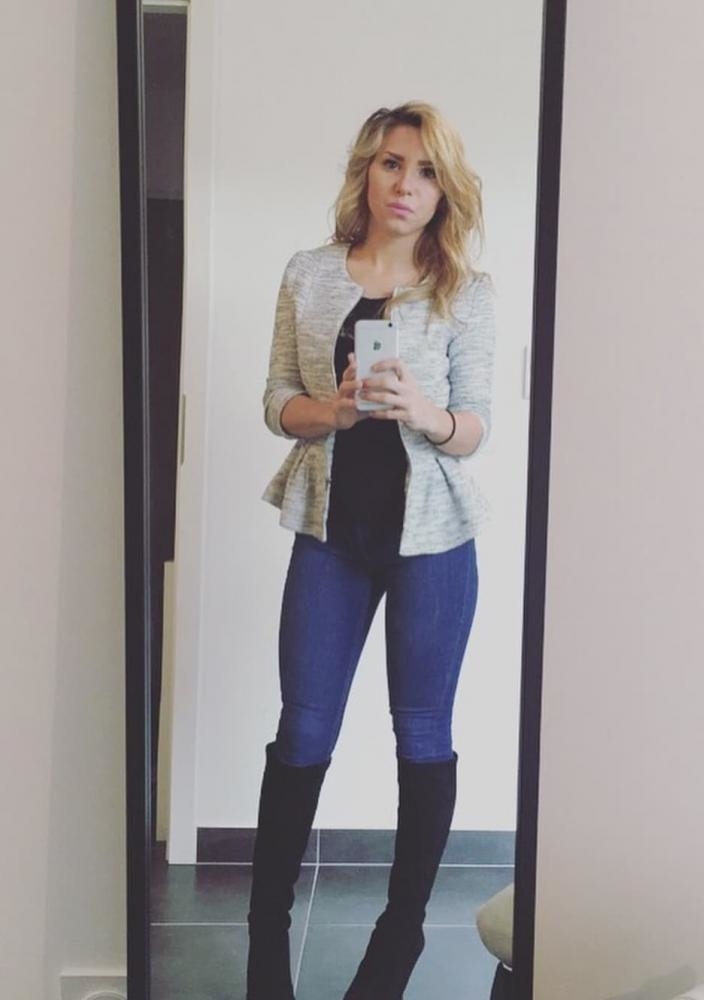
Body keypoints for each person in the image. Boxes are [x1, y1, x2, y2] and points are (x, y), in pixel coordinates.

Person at [246, 100, 497, 1000]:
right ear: (368, 170)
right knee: (303, 731)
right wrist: (336, 410)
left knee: (423, 735)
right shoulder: (310, 274)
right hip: (332, 534)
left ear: (444, 189)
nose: (406, 185)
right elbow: (276, 399)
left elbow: (477, 427)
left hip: (433, 543)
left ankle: (397, 945)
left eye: (426, 171)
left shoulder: (466, 291)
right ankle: (264, 943)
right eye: (393, 163)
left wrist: (425, 412)